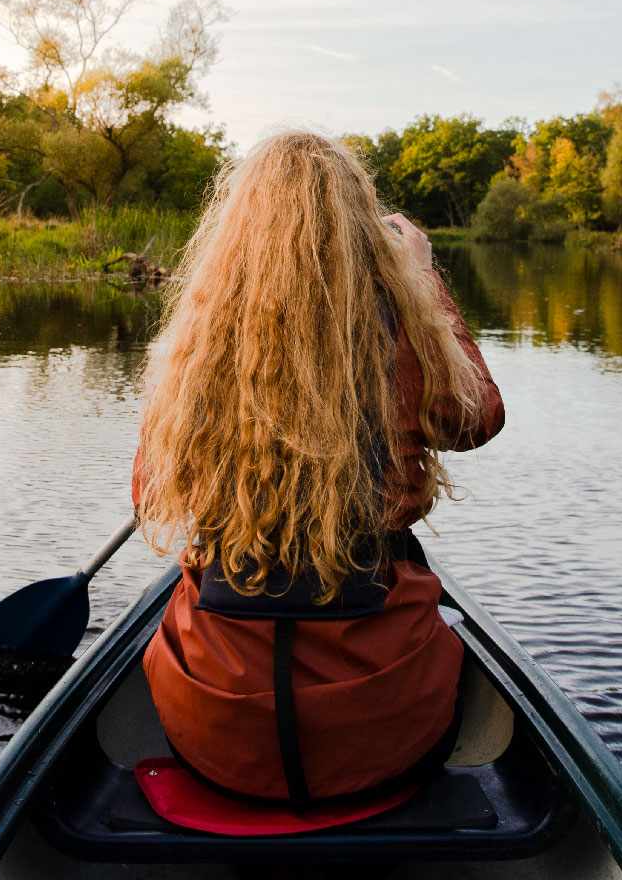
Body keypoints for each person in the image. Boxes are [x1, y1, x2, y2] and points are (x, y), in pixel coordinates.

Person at [132, 131, 503, 804]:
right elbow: (477, 421)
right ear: (365, 230)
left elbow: (148, 493)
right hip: (384, 728)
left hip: (214, 735)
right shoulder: (405, 331)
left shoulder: (200, 345)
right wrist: (424, 281)